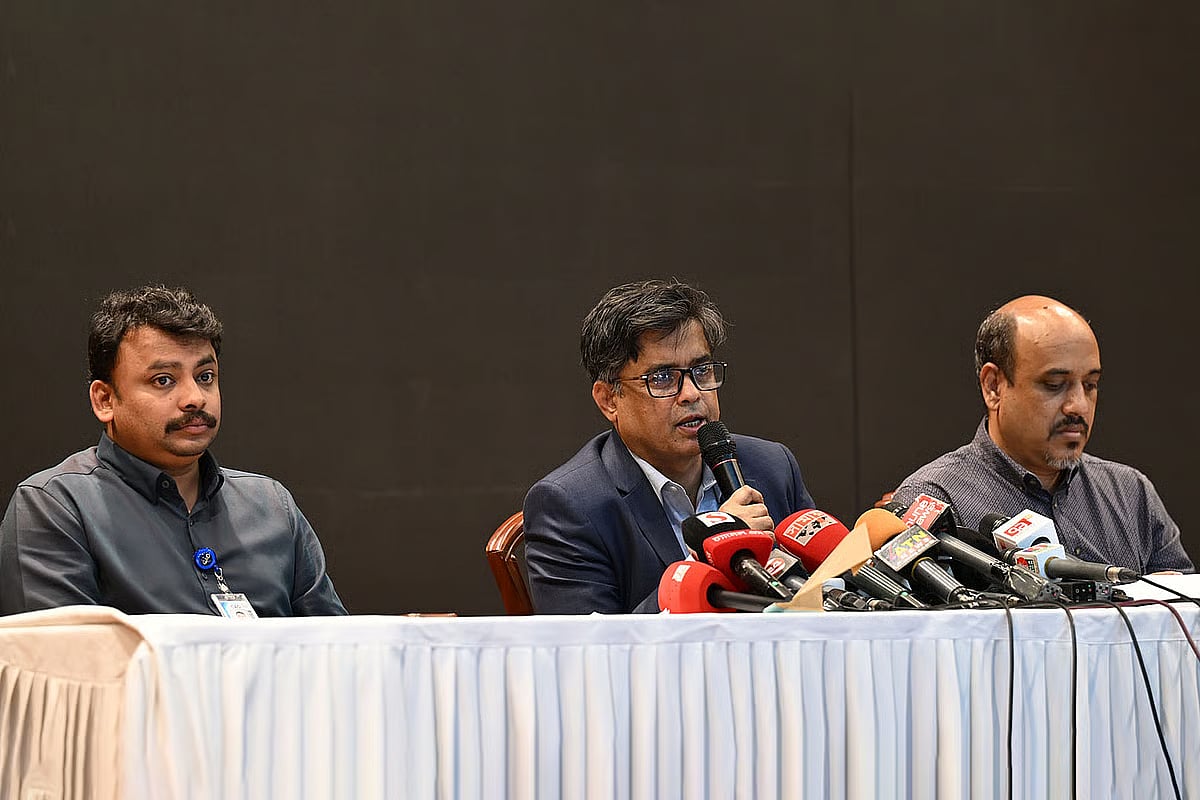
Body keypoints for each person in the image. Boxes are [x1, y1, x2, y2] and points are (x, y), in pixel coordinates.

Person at [0, 286, 347, 616]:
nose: (195, 397)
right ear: (105, 400)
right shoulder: (57, 506)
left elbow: (338, 651)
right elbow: (69, 666)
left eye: (206, 376)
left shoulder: (271, 506)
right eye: (163, 380)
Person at [524, 279, 815, 613]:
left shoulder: (771, 467)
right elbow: (595, 653)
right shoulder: (570, 505)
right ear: (608, 400)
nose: (692, 393)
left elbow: (824, 589)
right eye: (662, 378)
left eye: (702, 370)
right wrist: (714, 554)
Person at [892, 295, 1192, 574]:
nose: (1079, 406)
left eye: (1090, 384)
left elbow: (1184, 621)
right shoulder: (935, 501)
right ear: (993, 386)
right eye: (1054, 384)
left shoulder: (1131, 494)